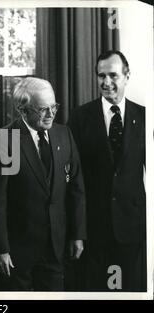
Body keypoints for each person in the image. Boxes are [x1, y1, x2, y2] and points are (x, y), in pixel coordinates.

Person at [0, 77, 86, 291]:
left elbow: (76, 189)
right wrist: (1, 249)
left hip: (56, 247)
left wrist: (77, 234)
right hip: (18, 252)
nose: (51, 114)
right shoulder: (4, 140)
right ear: (22, 109)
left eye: (54, 107)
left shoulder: (64, 134)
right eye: (43, 109)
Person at [68, 50, 146, 291]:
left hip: (132, 227)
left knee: (130, 289)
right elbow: (72, 178)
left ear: (127, 76)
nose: (106, 82)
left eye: (113, 75)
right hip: (93, 227)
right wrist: (76, 230)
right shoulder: (80, 117)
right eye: (101, 76)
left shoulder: (145, 116)